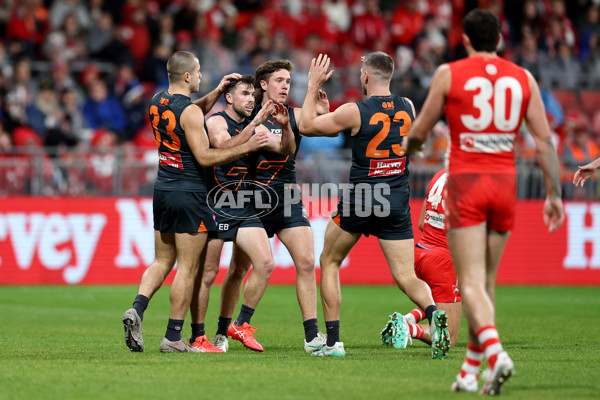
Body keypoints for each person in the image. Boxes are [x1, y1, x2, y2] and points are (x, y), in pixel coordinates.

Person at [405, 9, 565, 395]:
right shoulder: (523, 77)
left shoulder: (449, 73)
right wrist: (554, 193)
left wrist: (410, 146)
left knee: (470, 282)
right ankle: (470, 369)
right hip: (505, 183)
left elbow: (421, 130)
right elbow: (544, 140)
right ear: (500, 40)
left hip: (467, 183)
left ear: (464, 40)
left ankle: (495, 354)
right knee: (486, 283)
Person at [299, 52, 451, 359]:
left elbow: (305, 125)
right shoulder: (407, 106)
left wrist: (313, 85)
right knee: (407, 276)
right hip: (396, 198)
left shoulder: (355, 111)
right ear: (390, 76)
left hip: (364, 197)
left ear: (366, 77)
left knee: (329, 261)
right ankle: (434, 315)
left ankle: (333, 343)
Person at [121, 50, 269, 353]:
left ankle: (137, 307)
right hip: (189, 193)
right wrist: (247, 146)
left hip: (162, 189)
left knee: (162, 260)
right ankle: (173, 337)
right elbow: (205, 156)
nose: (202, 76)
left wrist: (215, 92)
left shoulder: (157, 102)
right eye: (199, 71)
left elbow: (187, 116)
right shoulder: (189, 112)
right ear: (187, 76)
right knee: (187, 269)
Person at [211, 60, 333, 353]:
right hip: (253, 198)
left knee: (305, 262)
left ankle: (311, 335)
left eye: (289, 81)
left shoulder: (294, 115)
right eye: (279, 80)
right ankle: (221, 332)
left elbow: (318, 131)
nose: (285, 86)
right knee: (238, 270)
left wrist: (324, 115)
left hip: (288, 197)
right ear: (263, 85)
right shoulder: (248, 116)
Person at [189, 75, 296, 353]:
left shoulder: (256, 127)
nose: (251, 99)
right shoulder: (216, 121)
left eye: (253, 95)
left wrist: (285, 129)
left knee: (265, 263)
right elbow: (224, 146)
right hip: (215, 203)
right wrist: (256, 123)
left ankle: (231, 328)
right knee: (208, 274)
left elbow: (286, 149)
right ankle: (198, 337)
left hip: (244, 205)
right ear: (229, 97)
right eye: (245, 94)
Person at [382, 168, 462, 348]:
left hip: (421, 252)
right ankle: (408, 328)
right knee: (449, 335)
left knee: (442, 298)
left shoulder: (440, 175)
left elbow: (421, 224)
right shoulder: (471, 182)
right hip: (443, 260)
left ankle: (409, 318)